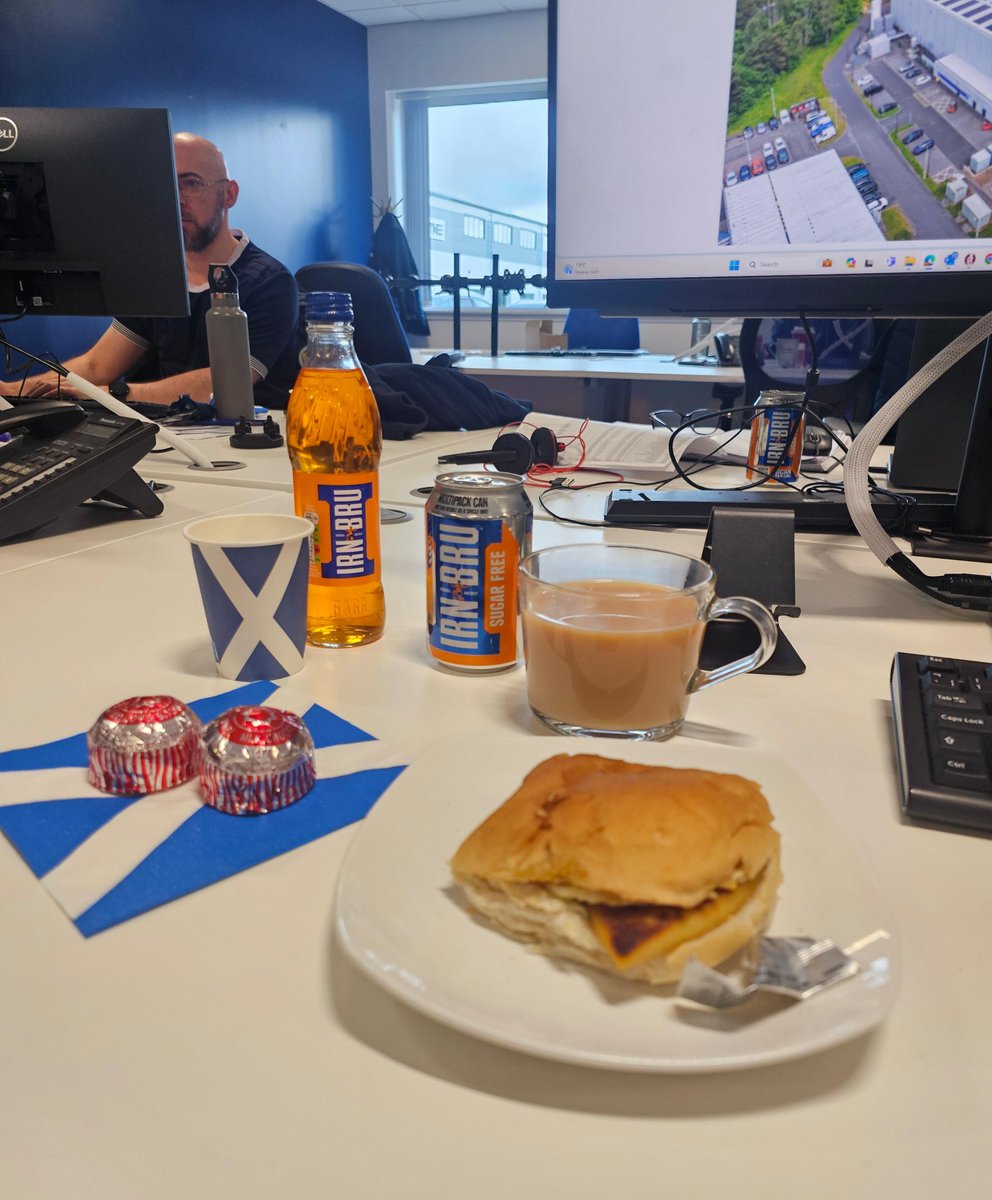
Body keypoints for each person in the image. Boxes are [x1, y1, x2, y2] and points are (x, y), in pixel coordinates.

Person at [1, 133, 303, 410]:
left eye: (192, 183)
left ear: (229, 195)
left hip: (252, 443)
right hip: (177, 434)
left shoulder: (270, 283)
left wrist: (109, 393)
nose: (176, 199)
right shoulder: (159, 278)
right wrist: (11, 390)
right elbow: (96, 366)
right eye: (167, 186)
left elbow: (225, 381)